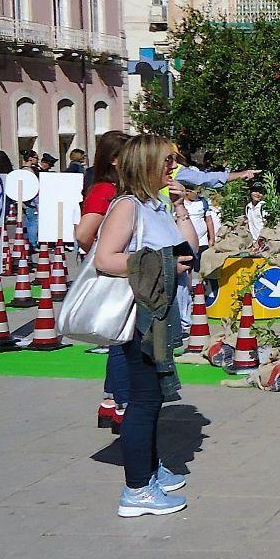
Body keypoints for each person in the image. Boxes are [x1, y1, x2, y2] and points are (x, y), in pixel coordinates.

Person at [92, 134, 200, 518]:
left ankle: (150, 471)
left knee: (151, 402)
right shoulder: (127, 206)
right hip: (139, 317)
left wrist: (180, 207)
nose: (174, 167)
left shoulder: (155, 206)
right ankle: (136, 489)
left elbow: (190, 249)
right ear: (146, 165)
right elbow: (105, 258)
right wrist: (162, 262)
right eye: (167, 161)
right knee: (143, 402)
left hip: (158, 315)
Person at [77, 131, 134, 431]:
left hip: (121, 272)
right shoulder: (104, 190)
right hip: (116, 274)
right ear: (114, 160)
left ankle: (111, 402)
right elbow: (84, 233)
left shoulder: (120, 189)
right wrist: (102, 257)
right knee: (121, 340)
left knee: (119, 339)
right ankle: (123, 407)